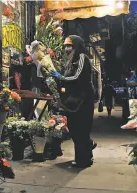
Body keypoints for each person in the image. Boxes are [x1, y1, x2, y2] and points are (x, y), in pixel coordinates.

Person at [51, 35, 96, 168]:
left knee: (81, 129)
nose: (66, 48)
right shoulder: (71, 60)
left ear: (76, 45)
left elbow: (77, 77)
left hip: (84, 99)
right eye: (65, 46)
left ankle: (83, 160)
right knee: (76, 129)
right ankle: (86, 154)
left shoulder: (82, 57)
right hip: (76, 101)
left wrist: (62, 78)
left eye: (69, 45)